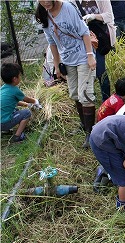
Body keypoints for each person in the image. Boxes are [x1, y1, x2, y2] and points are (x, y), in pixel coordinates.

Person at [35, 0, 96, 148]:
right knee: (74, 93)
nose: (45, 3)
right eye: (42, 0)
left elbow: (84, 32)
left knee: (85, 95)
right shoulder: (43, 13)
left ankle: (90, 133)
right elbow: (52, 43)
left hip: (82, 57)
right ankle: (83, 124)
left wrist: (89, 55)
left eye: (48, 0)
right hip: (68, 60)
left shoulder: (67, 8)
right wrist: (56, 66)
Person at [78, 0, 117, 103]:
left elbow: (109, 16)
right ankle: (86, 99)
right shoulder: (74, 1)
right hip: (81, 39)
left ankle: (106, 100)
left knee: (100, 70)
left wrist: (94, 16)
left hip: (99, 38)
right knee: (83, 69)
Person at [1, 63, 42, 143]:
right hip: (3, 123)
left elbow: (13, 103)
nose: (20, 77)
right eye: (19, 75)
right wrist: (35, 101)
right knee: (26, 113)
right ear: (15, 79)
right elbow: (26, 99)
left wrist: (27, 105)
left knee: (15, 110)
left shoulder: (3, 89)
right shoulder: (14, 90)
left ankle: (5, 131)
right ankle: (17, 136)